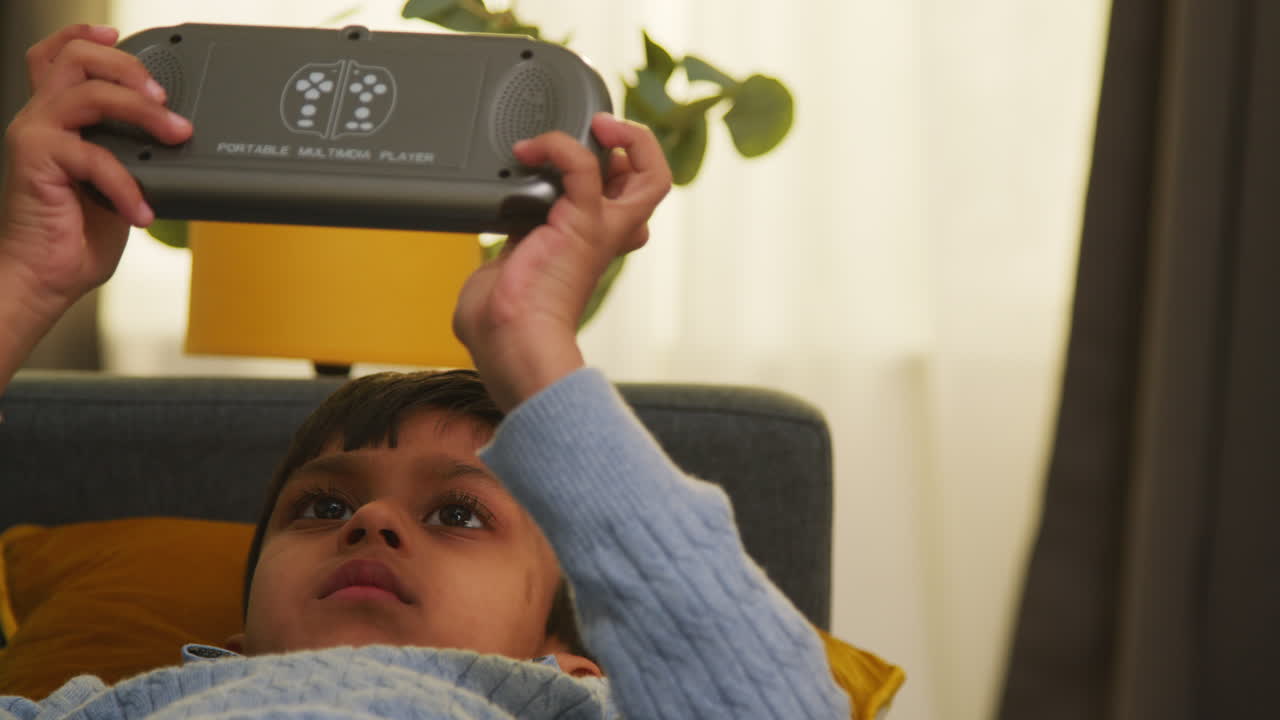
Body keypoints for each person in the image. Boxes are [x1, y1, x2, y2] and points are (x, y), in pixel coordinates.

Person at [0, 23, 853, 720]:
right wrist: (25, 282)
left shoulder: (574, 708)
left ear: (574, 666)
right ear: (237, 643)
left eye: (458, 513)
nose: (369, 521)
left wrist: (531, 346)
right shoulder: (113, 706)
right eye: (322, 506)